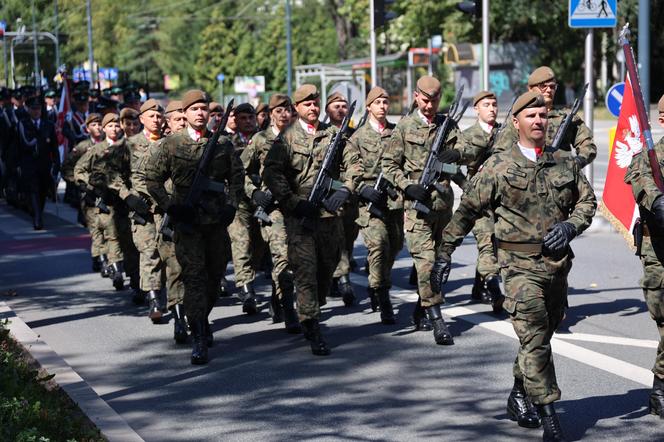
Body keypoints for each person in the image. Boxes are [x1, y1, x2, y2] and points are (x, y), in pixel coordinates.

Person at [437, 91, 596, 441]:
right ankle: (550, 414)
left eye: (543, 116)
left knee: (540, 335)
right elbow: (466, 213)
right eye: (531, 116)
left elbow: (587, 201)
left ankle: (519, 393)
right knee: (537, 338)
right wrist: (443, 253)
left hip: (557, 266)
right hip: (518, 267)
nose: (538, 121)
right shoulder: (498, 166)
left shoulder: (564, 160)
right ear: (516, 122)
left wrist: (572, 225)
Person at [263, 84, 363, 356]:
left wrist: (345, 189)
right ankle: (313, 325)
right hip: (300, 216)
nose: (313, 107)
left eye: (315, 102)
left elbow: (355, 164)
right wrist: (292, 202)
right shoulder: (287, 138)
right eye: (307, 104)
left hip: (329, 215)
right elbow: (271, 173)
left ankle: (310, 308)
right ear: (297, 107)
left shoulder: (333, 134)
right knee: (306, 271)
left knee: (326, 267)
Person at [146, 90, 243, 365]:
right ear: (185, 114)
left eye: (204, 109)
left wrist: (232, 205)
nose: (200, 114)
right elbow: (152, 179)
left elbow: (237, 178)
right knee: (195, 279)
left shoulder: (223, 144)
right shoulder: (171, 144)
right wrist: (170, 206)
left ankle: (202, 317)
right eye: (195, 109)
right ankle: (198, 334)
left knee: (214, 277)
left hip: (215, 223)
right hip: (187, 224)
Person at [381, 76, 477, 344]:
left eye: (434, 100)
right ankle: (438, 320)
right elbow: (389, 165)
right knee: (426, 265)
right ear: (416, 96)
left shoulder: (448, 124)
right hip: (416, 209)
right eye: (425, 100)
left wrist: (456, 156)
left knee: (439, 267)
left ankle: (420, 308)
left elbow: (467, 149)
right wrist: (407, 186)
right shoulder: (404, 126)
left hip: (443, 207)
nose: (429, 105)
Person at [241, 93, 300, 333]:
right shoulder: (260, 139)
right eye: (279, 110)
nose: (284, 114)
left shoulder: (301, 137)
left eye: (288, 109)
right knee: (282, 257)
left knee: (298, 259)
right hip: (273, 208)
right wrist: (254, 193)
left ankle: (277, 298)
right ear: (271, 115)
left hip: (297, 205)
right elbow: (240, 171)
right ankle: (289, 308)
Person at [625, 94, 664, 418]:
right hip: (660, 257)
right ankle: (660, 385)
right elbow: (644, 189)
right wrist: (660, 203)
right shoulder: (646, 160)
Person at [349, 86, 402, 324]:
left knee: (395, 245)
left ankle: (376, 277)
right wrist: (363, 190)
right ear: (369, 107)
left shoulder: (396, 133)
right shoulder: (357, 137)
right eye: (378, 102)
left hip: (393, 199)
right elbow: (346, 171)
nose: (383, 106)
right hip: (368, 201)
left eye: (385, 102)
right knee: (379, 244)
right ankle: (382, 295)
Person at [495, 66, 596, 169]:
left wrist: (575, 164)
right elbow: (501, 151)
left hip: (561, 178)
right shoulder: (520, 117)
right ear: (530, 89)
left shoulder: (568, 117)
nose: (549, 90)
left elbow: (588, 146)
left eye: (552, 87)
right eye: (543, 86)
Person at [461, 90, 504, 311]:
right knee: (486, 242)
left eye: (494, 104)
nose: (492, 109)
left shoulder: (507, 133)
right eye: (486, 105)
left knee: (497, 245)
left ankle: (478, 288)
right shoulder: (467, 135)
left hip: (503, 199)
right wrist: (465, 185)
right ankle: (495, 291)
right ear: (477, 108)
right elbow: (451, 165)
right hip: (479, 201)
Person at [124, 99, 166, 320]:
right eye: (152, 116)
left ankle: (169, 294)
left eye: (159, 116)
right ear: (142, 119)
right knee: (149, 252)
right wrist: (127, 195)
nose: (156, 120)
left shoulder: (170, 143)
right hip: (142, 210)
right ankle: (154, 300)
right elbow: (112, 174)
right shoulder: (129, 145)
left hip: (166, 208)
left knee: (169, 253)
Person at [227, 103, 264, 314]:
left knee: (258, 246)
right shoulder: (226, 142)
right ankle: (246, 288)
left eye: (251, 117)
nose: (248, 121)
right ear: (236, 121)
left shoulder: (266, 140)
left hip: (262, 199)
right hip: (238, 200)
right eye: (242, 118)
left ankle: (250, 275)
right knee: (242, 240)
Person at [61, 113, 108, 273]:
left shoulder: (110, 144)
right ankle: (100, 259)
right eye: (94, 125)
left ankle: (105, 257)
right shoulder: (82, 147)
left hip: (107, 193)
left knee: (109, 227)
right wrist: (79, 183)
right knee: (95, 227)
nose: (98, 127)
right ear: (88, 128)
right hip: (89, 195)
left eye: (100, 124)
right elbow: (67, 168)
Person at [326, 92, 358, 306]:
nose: (340, 109)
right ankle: (341, 278)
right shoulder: (321, 133)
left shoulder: (355, 134)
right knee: (334, 239)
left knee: (348, 238)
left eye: (343, 106)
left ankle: (337, 275)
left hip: (351, 195)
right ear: (327, 110)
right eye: (336, 106)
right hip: (329, 196)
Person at [16, 96, 60, 230]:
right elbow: (19, 145)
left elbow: (54, 146)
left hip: (44, 164)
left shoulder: (48, 125)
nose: (36, 112)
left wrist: (56, 163)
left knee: (42, 191)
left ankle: (38, 212)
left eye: (38, 109)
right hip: (29, 163)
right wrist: (17, 164)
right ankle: (37, 218)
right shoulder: (23, 124)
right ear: (28, 109)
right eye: (33, 109)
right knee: (33, 190)